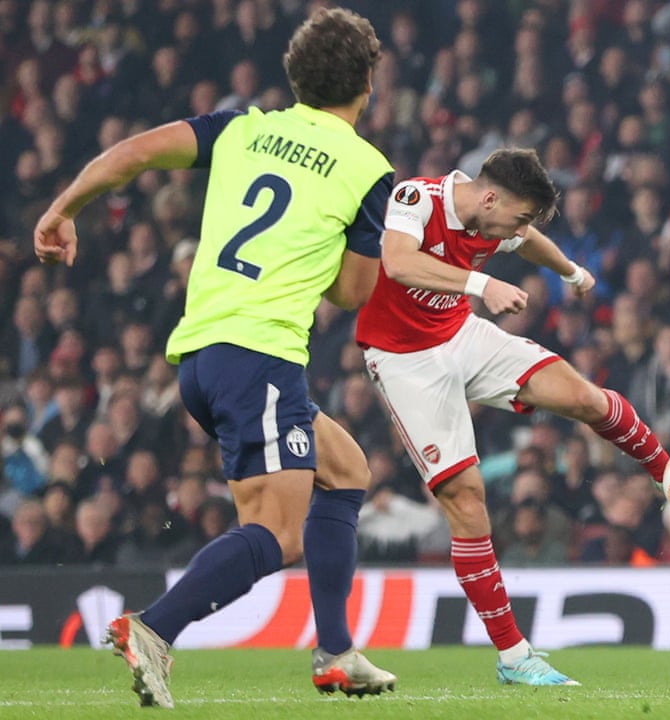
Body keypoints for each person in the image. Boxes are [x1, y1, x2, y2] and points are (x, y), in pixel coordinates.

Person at [33, 8, 398, 708]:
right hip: (262, 357)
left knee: (346, 469)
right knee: (277, 533)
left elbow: (134, 153)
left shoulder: (241, 129)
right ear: (367, 85)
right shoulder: (367, 169)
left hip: (202, 356)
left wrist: (65, 208)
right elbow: (352, 292)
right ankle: (154, 628)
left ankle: (336, 651)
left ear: (296, 80)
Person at [355, 147, 670, 686]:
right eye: (520, 215)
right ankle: (513, 656)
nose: (520, 229)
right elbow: (398, 263)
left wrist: (572, 271)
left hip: (459, 333)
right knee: (466, 499)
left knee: (585, 398)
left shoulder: (498, 219)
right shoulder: (419, 197)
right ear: (489, 198)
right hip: (404, 360)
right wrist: (483, 285)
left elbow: (527, 239)